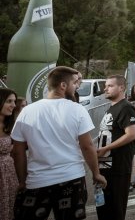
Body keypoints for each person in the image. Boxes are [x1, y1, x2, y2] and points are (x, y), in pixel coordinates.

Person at [11, 66, 107, 220]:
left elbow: (18, 151)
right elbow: (87, 146)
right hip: (72, 179)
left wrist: (22, 181)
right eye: (75, 83)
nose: (77, 86)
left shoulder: (27, 111)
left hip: (37, 181)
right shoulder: (77, 110)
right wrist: (96, 173)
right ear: (63, 85)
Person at [96, 75, 135, 220]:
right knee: (104, 210)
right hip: (106, 166)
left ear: (121, 88)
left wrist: (106, 148)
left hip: (118, 168)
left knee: (115, 211)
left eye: (110, 86)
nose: (105, 89)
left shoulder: (126, 108)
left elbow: (132, 134)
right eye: (105, 86)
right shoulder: (112, 108)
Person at [0, 88, 18, 220]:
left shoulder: (9, 124)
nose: (14, 105)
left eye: (14, 101)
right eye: (9, 101)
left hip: (9, 176)